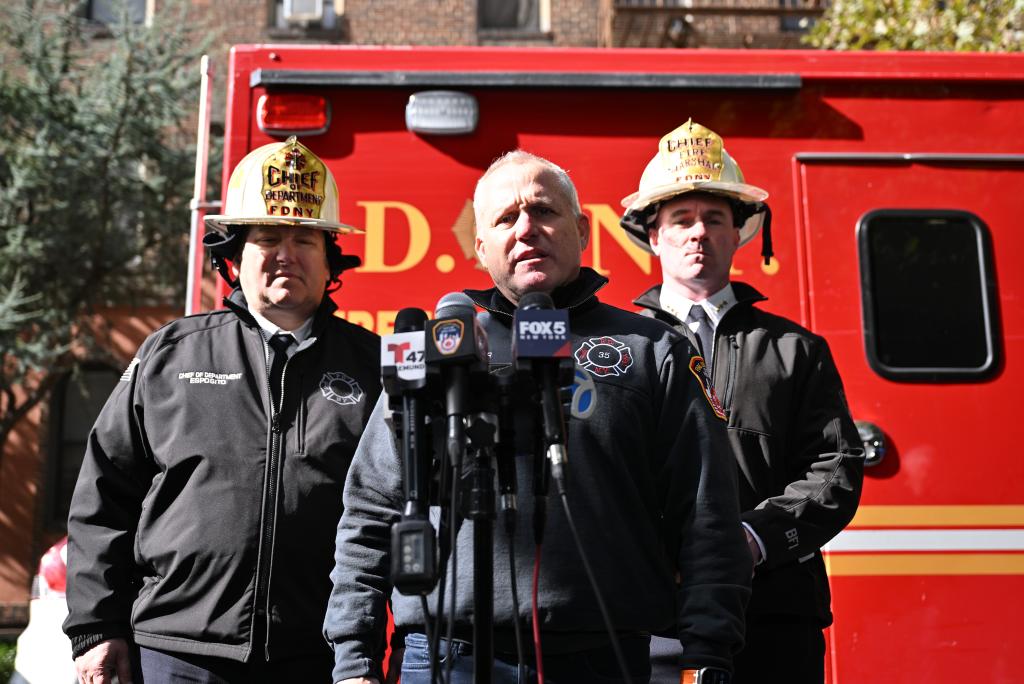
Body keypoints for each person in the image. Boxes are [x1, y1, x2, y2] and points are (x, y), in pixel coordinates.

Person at [324, 150, 751, 684]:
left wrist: (706, 653)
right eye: (506, 218)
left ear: (582, 228)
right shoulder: (432, 352)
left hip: (603, 656)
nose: (527, 228)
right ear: (480, 248)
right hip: (442, 655)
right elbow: (369, 512)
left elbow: (706, 514)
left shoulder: (654, 350)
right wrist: (354, 663)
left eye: (543, 211)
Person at [63, 137, 381, 683]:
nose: (286, 252)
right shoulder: (171, 354)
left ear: (331, 258)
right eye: (267, 237)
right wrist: (97, 627)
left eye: (305, 237)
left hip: (319, 656)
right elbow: (104, 494)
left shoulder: (373, 367)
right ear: (233, 255)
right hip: (175, 653)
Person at [619, 119, 865, 683]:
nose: (697, 233)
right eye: (680, 219)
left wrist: (756, 539)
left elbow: (836, 468)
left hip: (775, 614)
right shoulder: (617, 350)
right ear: (654, 237)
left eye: (714, 219)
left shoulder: (796, 350)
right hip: (653, 617)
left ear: (739, 235)